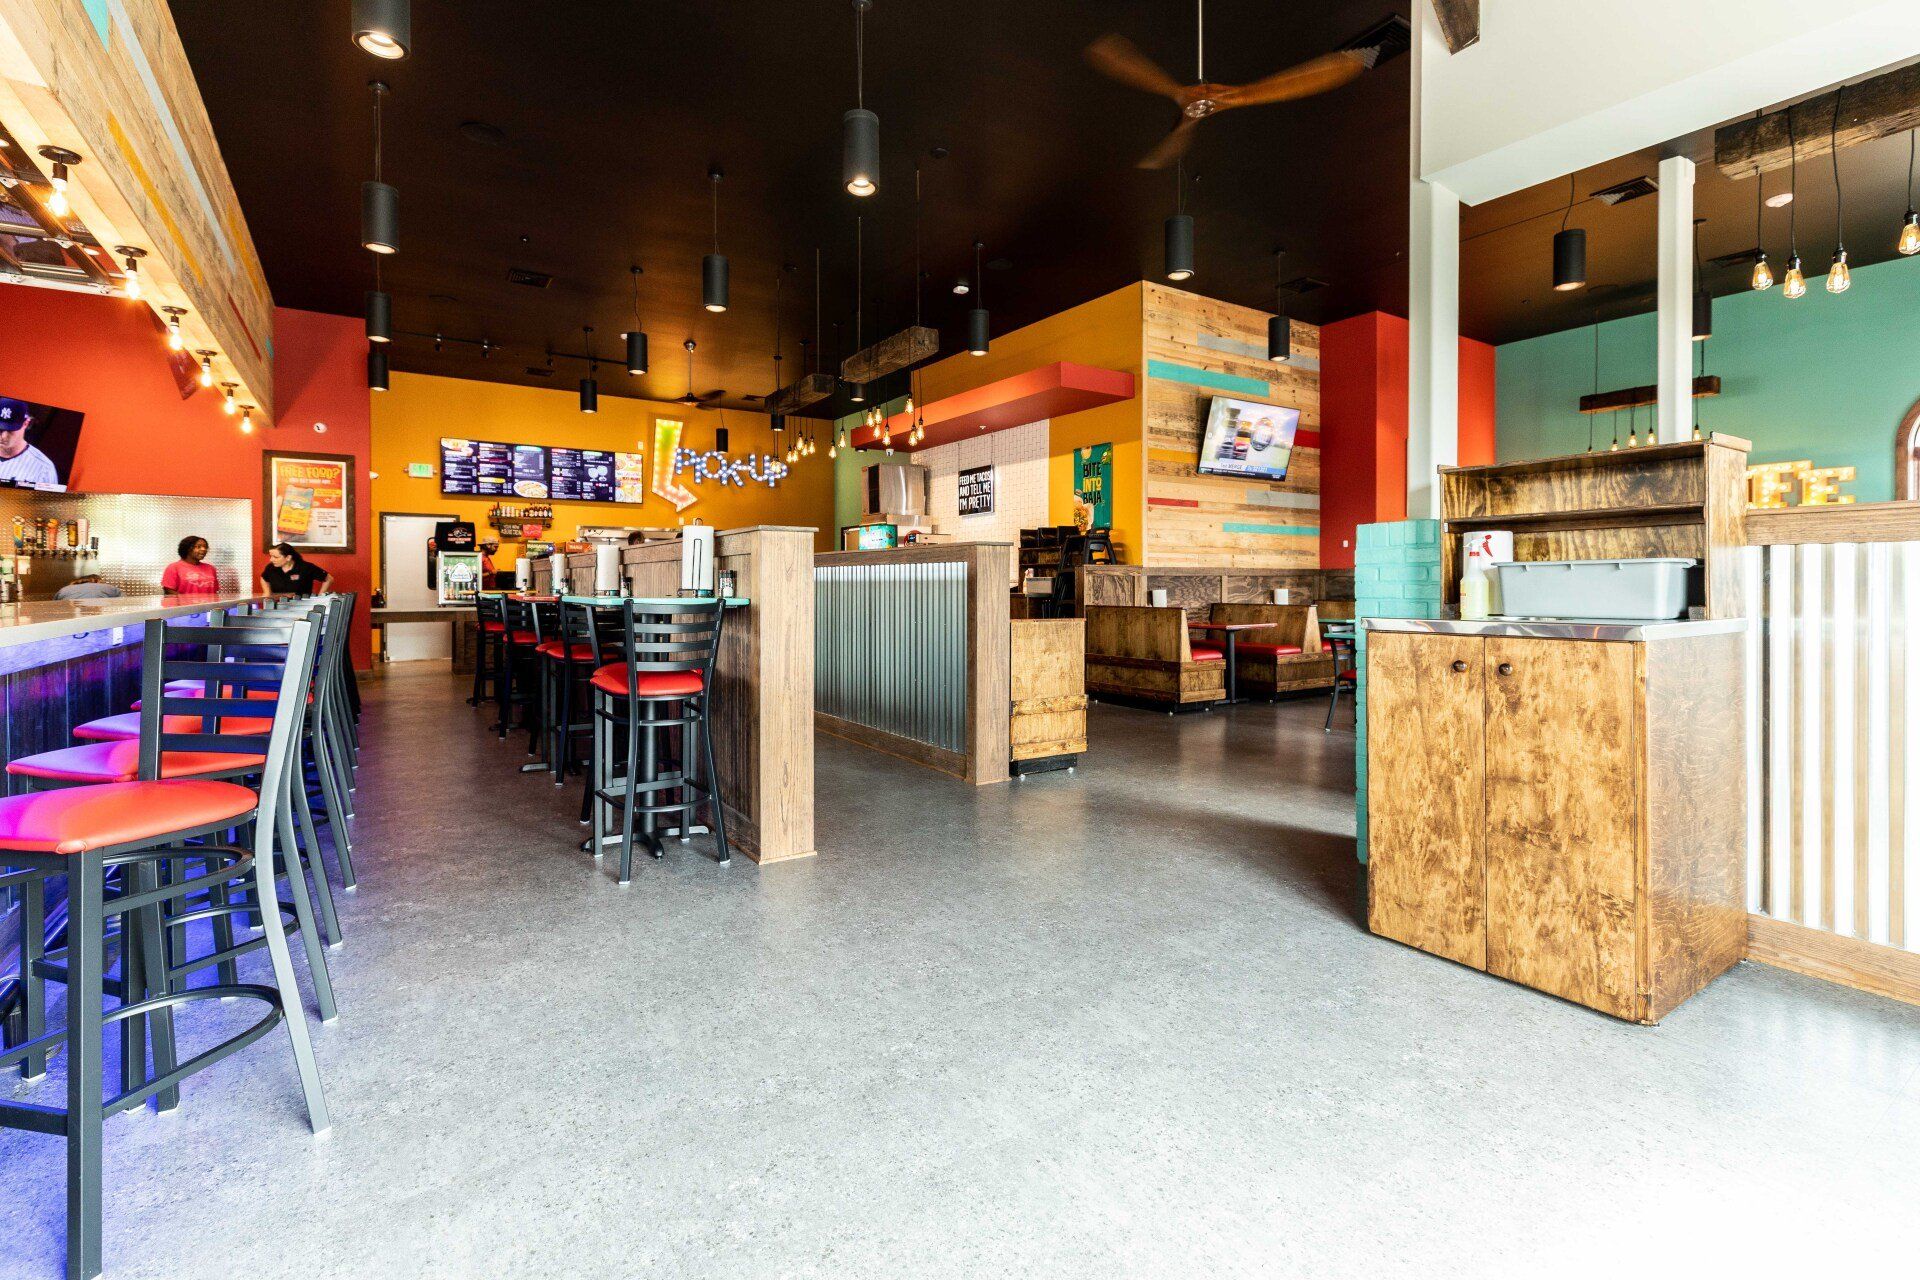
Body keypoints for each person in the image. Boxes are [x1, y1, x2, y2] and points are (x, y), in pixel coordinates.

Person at [0, 398, 60, 488]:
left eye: (10, 429)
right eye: (0, 429)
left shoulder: (44, 469)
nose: (3, 436)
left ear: (26, 423)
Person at [261, 541, 333, 596]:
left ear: (288, 557)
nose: (271, 559)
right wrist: (267, 593)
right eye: (271, 556)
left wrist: (321, 596)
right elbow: (264, 578)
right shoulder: (270, 568)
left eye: (275, 557)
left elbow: (329, 579)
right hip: (277, 605)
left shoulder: (306, 567)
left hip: (302, 606)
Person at [55, 574, 123, 600]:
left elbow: (54, 606)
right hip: (101, 617)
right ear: (98, 580)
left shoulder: (64, 589)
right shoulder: (109, 587)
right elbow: (125, 603)